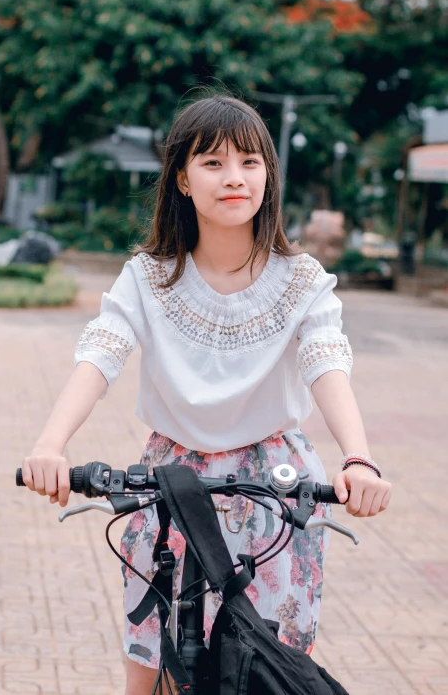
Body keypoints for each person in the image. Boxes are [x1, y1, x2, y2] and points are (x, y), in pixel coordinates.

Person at [22, 94, 392, 695]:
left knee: (270, 672)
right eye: (213, 163)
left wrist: (358, 457)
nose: (234, 178)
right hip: (172, 479)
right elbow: (102, 352)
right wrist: (50, 444)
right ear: (182, 180)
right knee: (150, 670)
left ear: (268, 175)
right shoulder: (149, 275)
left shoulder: (301, 280)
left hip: (274, 483)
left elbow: (326, 360)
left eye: (250, 161)